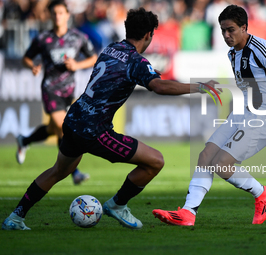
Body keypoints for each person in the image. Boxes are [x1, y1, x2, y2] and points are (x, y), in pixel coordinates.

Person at [2, 7, 218, 231]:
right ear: (148, 35)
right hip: (94, 130)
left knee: (58, 170)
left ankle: (15, 217)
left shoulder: (111, 48)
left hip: (74, 118)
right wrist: (199, 87)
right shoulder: (137, 62)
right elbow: (159, 86)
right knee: (156, 161)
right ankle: (117, 204)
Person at [152, 5, 266, 226]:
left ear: (244, 27)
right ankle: (188, 213)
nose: (226, 35)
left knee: (222, 164)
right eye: (223, 30)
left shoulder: (262, 50)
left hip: (264, 118)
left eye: (231, 30)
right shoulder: (232, 52)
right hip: (242, 113)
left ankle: (263, 193)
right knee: (205, 156)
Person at [17, 0, 97, 185]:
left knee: (54, 129)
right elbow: (26, 59)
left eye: (61, 13)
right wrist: (34, 66)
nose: (57, 17)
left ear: (68, 15)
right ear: (50, 16)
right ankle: (74, 172)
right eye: (54, 13)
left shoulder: (78, 37)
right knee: (63, 127)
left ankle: (25, 140)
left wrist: (77, 65)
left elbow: (93, 58)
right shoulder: (43, 38)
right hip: (50, 89)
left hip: (69, 91)